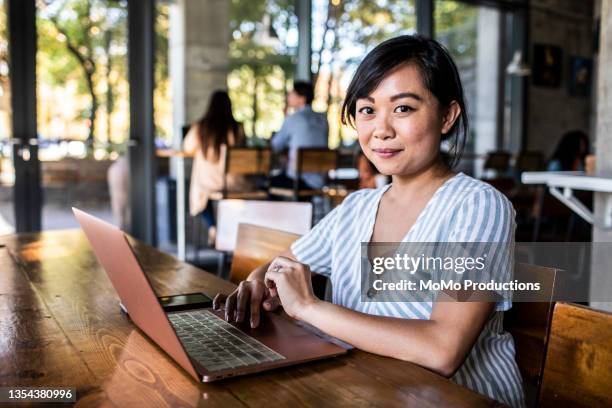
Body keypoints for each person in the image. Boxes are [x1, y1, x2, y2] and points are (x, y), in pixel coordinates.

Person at [213, 36, 524, 407]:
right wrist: (255, 280)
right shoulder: (356, 207)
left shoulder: (478, 206)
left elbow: (443, 350)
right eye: (367, 110)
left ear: (447, 116)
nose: (381, 130)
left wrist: (310, 308)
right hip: (360, 390)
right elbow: (282, 264)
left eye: (403, 108)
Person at [183, 90, 251, 227]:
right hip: (235, 183)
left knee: (198, 192)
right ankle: (227, 229)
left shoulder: (201, 128)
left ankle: (213, 226)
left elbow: (186, 147)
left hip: (209, 184)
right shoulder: (237, 128)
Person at [270, 81, 329, 189]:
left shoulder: (293, 119)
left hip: (297, 181)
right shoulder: (323, 119)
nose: (288, 96)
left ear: (302, 98)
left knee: (265, 184)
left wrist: (285, 118)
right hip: (320, 181)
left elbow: (276, 145)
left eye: (292, 93)